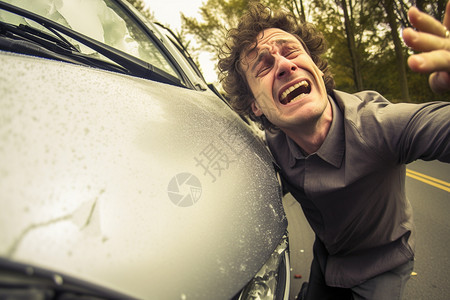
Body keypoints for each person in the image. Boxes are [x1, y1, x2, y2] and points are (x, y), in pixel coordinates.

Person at [218, 1, 450, 300]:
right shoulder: (266, 154)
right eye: (263, 65)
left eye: (291, 52)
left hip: (382, 265)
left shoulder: (382, 126)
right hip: (328, 259)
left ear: (316, 68)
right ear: (255, 106)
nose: (285, 65)